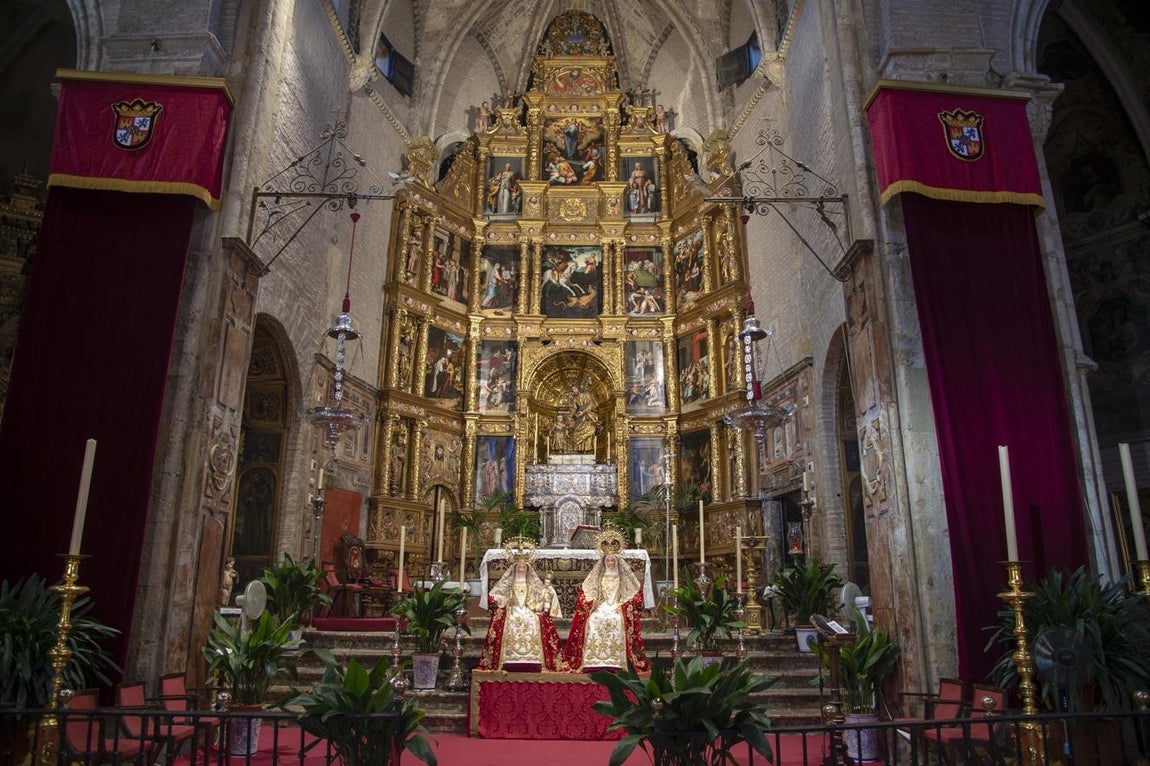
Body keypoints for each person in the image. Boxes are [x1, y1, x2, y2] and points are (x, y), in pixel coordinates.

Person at [564, 526, 650, 672]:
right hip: (602, 606)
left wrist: (623, 605)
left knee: (617, 620)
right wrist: (593, 603)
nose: (610, 563)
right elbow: (586, 592)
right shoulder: (598, 575)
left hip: (617, 606)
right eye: (608, 560)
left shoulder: (623, 576)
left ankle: (618, 661)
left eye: (612, 560)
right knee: (594, 620)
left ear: (616, 561)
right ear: (604, 561)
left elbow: (635, 594)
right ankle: (594, 661)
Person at [478, 539, 566, 671]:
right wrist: (505, 600)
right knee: (509, 621)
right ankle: (507, 659)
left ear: (527, 569)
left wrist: (546, 593)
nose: (521, 569)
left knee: (534, 620)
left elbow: (542, 594)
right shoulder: (509, 583)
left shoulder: (531, 583)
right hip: (512, 609)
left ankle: (535, 659)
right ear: (514, 568)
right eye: (519, 567)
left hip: (528, 609)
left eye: (523, 567)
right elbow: (494, 596)